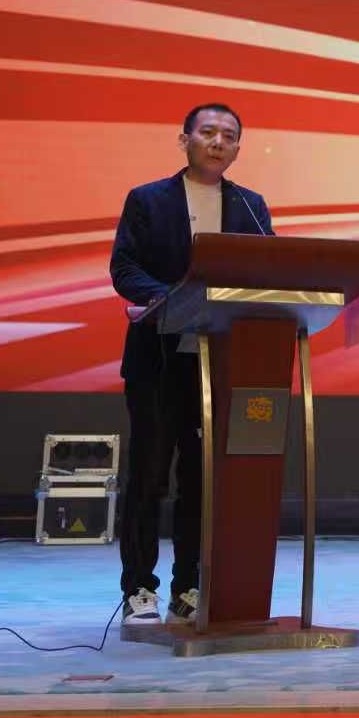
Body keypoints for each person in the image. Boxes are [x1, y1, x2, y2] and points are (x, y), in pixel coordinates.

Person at [109, 103, 275, 624]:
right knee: (149, 477)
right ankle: (139, 587)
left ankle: (189, 587)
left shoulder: (250, 207)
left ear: (238, 148)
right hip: (159, 362)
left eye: (229, 135)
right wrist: (171, 299)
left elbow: (268, 268)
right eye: (208, 132)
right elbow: (124, 267)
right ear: (185, 139)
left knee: (202, 483)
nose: (218, 142)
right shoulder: (148, 199)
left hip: (218, 363)